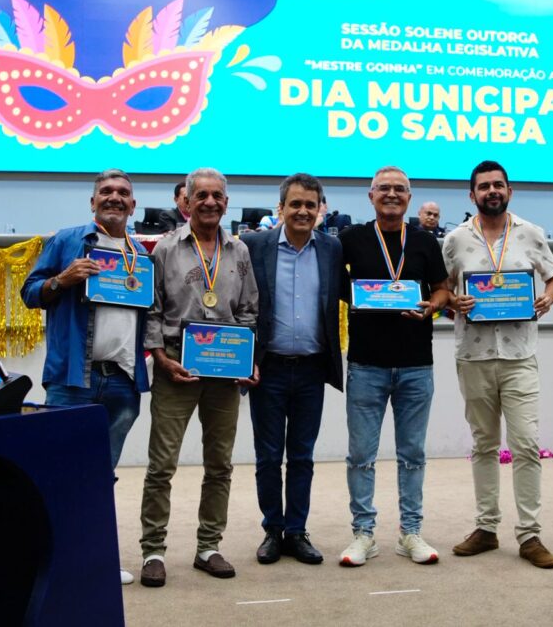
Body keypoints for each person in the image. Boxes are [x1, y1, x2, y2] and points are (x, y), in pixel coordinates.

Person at [20, 168, 150, 586]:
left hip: (123, 383)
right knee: (59, 474)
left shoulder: (141, 254)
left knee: (101, 479)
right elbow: (29, 293)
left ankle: (95, 560)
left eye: (123, 193)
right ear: (93, 201)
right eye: (106, 192)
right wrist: (62, 279)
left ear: (133, 205)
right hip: (73, 379)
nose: (115, 197)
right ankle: (49, 564)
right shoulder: (66, 240)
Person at [139, 168, 259, 588]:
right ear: (185, 202)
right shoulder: (166, 249)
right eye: (201, 196)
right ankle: (153, 550)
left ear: (226, 202)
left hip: (224, 372)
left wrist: (246, 359)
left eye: (217, 196)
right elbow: (151, 310)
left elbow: (248, 311)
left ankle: (209, 545)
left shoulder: (239, 251)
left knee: (220, 464)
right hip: (177, 367)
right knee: (161, 465)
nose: (210, 202)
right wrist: (159, 357)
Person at [443, 160, 553, 569]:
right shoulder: (455, 239)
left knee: (526, 443)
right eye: (483, 186)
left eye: (498, 185)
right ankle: (486, 528)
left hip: (519, 355)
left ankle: (530, 535)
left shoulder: (531, 233)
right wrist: (451, 304)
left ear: (508, 191)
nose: (491, 191)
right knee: (483, 444)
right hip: (473, 354)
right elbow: (441, 290)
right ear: (472, 195)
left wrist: (548, 298)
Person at [337, 165, 451, 567]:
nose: (391, 194)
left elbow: (442, 289)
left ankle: (410, 532)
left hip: (417, 365)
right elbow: (336, 286)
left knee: (413, 454)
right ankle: (364, 533)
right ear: (370, 196)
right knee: (361, 455)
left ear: (409, 197)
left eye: (399, 189)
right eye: (383, 188)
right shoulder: (350, 239)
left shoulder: (424, 241)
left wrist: (433, 306)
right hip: (366, 363)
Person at [241, 173, 343, 565]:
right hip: (267, 369)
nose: (303, 211)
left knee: (302, 455)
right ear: (280, 208)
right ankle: (272, 530)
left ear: (320, 210)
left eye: (310, 205)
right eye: (295, 204)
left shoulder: (332, 249)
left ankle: (297, 531)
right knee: (268, 456)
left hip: (312, 371)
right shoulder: (253, 245)